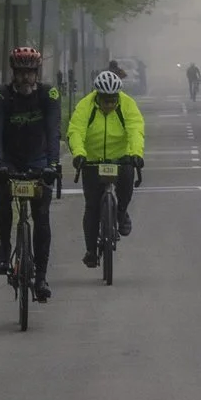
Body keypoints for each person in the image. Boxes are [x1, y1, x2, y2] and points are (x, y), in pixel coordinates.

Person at [0, 45, 61, 299]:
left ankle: (40, 278)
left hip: (38, 158)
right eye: (20, 72)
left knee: (42, 216)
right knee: (3, 198)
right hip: (9, 158)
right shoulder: (1, 95)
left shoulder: (48, 94)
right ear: (13, 73)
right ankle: (5, 247)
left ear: (37, 73)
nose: (25, 78)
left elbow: (53, 132)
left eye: (30, 73)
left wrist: (53, 164)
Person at [67, 68, 146, 266]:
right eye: (106, 101)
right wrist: (79, 154)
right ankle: (91, 250)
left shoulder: (127, 104)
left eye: (113, 101)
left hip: (121, 157)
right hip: (92, 160)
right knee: (92, 207)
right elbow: (76, 130)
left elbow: (136, 128)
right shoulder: (85, 105)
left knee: (126, 187)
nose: (110, 105)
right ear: (98, 98)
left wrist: (136, 153)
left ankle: (121, 212)